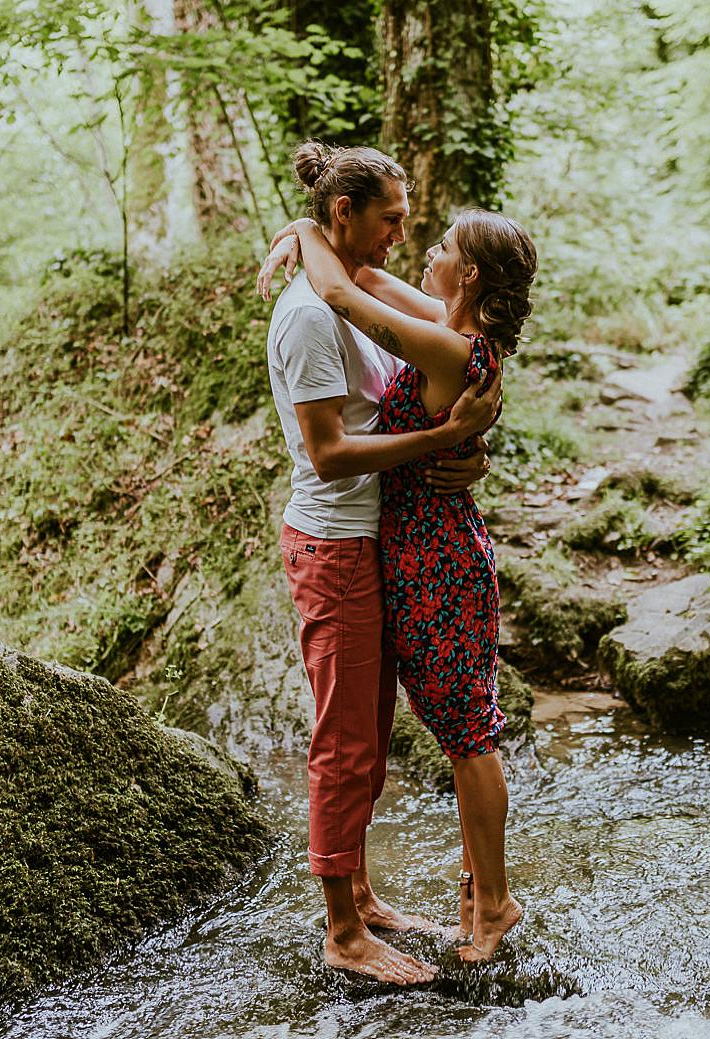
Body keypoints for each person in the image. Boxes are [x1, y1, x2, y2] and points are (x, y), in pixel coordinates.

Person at [261, 143, 538, 963]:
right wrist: (308, 229)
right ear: (347, 213)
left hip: (429, 554)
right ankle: (375, 917)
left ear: (473, 279)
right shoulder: (402, 319)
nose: (419, 247)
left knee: (457, 730)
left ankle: (486, 903)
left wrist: (457, 441)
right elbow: (357, 292)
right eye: (398, 222)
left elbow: (356, 288)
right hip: (371, 544)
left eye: (440, 244)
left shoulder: (446, 341)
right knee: (375, 740)